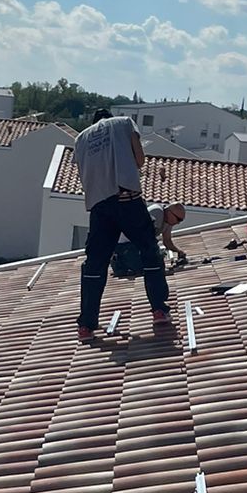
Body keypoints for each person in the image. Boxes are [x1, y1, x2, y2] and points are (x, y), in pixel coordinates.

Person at [73, 110, 172, 341]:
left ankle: (86, 325)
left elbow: (82, 175)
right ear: (108, 117)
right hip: (127, 199)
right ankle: (158, 309)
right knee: (150, 251)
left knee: (95, 264)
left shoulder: (81, 139)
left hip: (100, 206)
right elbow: (139, 159)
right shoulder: (124, 123)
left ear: (94, 122)